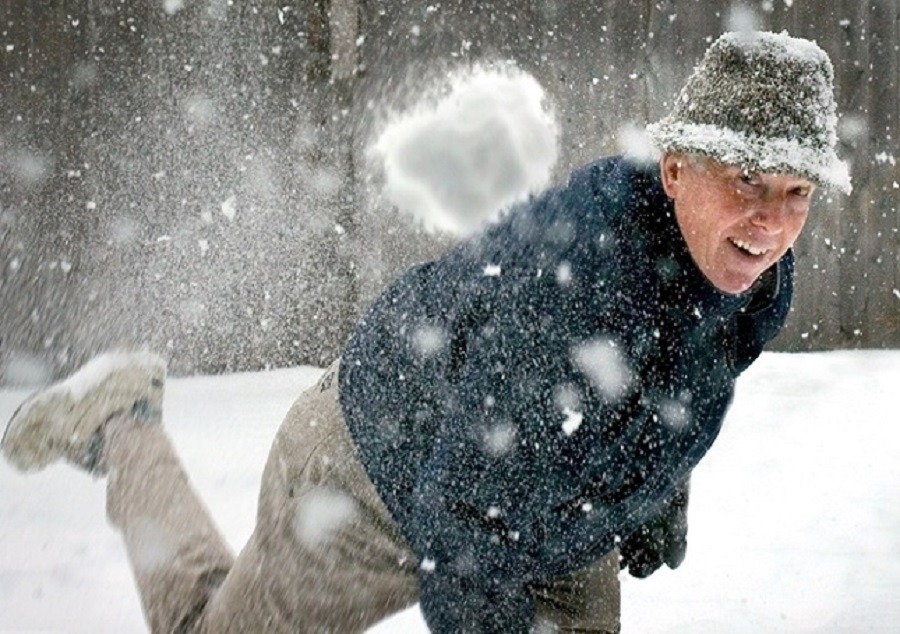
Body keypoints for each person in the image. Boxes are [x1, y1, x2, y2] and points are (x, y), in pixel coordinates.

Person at [2, 30, 850, 634]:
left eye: (794, 192)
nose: (768, 219)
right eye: (744, 179)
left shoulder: (749, 278)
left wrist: (659, 484)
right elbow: (462, 525)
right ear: (675, 170)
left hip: (544, 502)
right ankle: (125, 424)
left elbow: (678, 371)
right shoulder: (572, 293)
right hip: (375, 472)